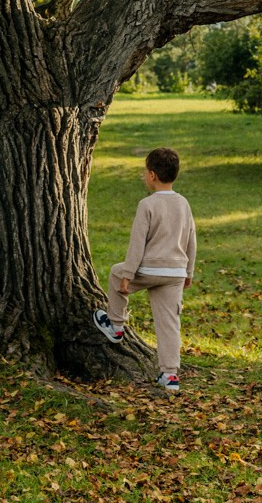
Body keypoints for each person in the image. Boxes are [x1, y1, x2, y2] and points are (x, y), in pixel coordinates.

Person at [93, 146, 196, 393]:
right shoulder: (183, 203)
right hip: (175, 274)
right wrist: (189, 272)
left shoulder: (147, 204)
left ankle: (116, 325)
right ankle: (170, 375)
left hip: (150, 269)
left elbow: (137, 243)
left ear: (151, 175)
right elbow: (192, 239)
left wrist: (128, 274)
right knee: (169, 323)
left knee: (116, 273)